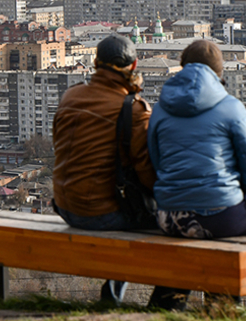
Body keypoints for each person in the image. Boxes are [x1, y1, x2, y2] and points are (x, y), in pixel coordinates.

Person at [145, 39, 246, 311]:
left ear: (182, 66)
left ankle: (167, 310)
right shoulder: (231, 107)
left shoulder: (160, 109)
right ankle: (225, 310)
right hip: (223, 215)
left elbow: (155, 161)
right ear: (219, 71)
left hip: (171, 217)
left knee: (187, 250)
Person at [52, 34, 154, 304]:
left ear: (96, 63)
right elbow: (148, 173)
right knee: (165, 226)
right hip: (99, 213)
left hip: (63, 205)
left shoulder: (70, 95)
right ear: (134, 67)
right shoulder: (133, 110)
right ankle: (157, 302)